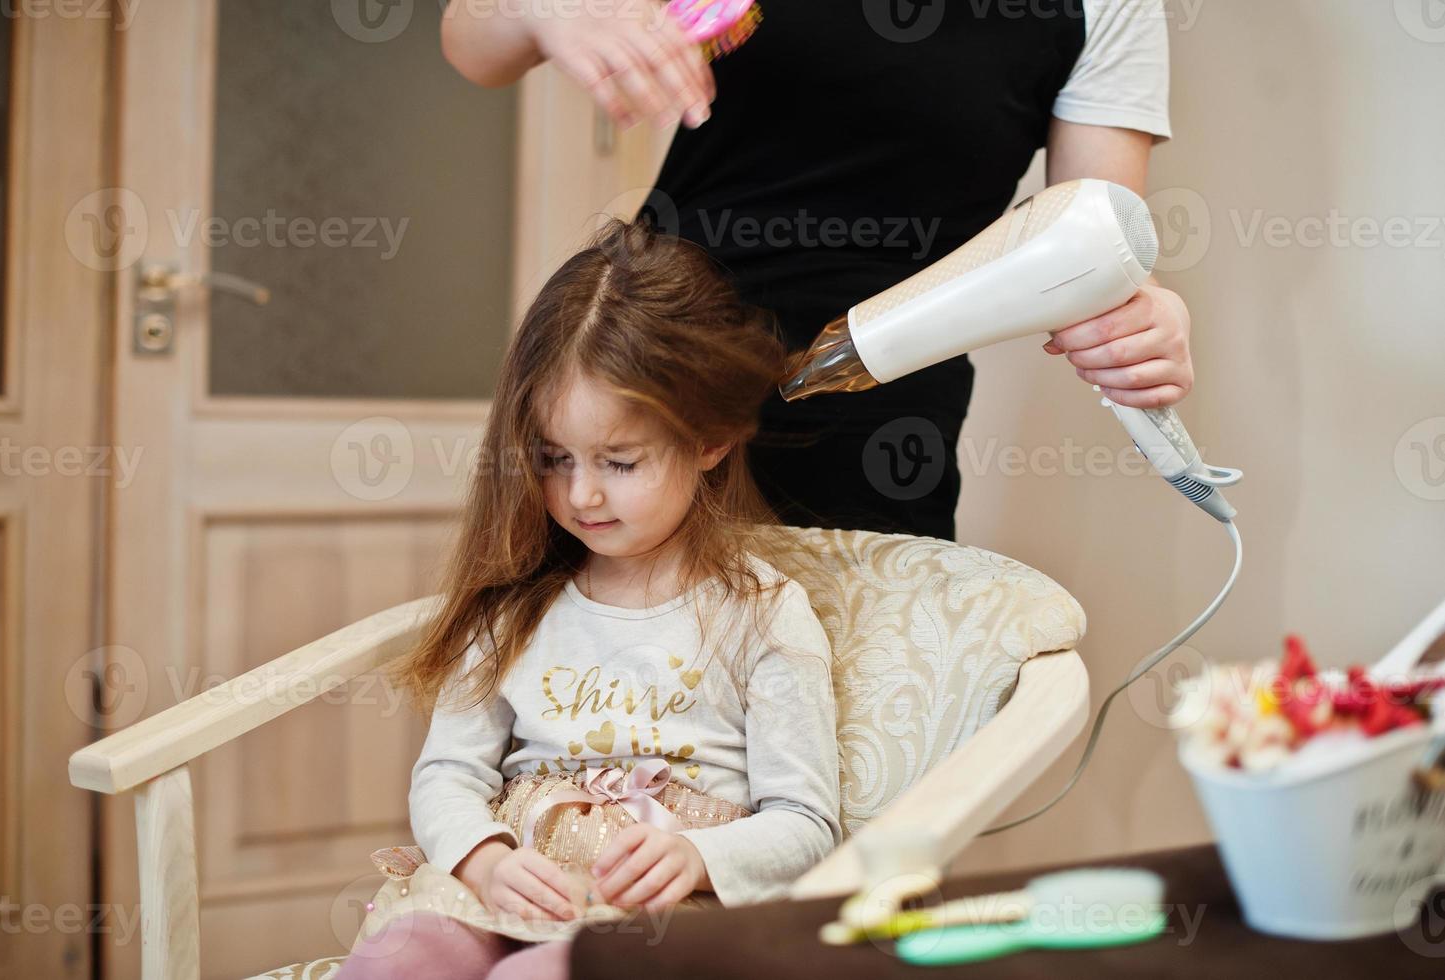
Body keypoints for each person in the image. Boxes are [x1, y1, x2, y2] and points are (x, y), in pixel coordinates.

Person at [441, 0, 1194, 541]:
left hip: (881, 405)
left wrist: (1145, 316)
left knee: (852, 714)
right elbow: (472, 41)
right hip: (654, 373)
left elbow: (1092, 236)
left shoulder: (1108, 8)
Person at [335, 218, 841, 979]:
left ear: (709, 439)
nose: (581, 493)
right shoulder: (514, 607)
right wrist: (482, 859)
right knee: (399, 959)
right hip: (514, 888)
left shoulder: (762, 614)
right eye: (552, 458)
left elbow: (805, 825)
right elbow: (449, 774)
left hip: (660, 916)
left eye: (619, 460)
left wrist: (695, 856)